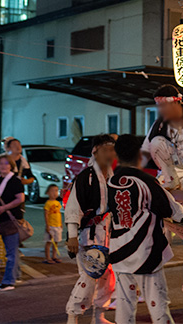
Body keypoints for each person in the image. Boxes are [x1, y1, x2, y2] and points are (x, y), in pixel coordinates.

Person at [107, 134, 183, 324]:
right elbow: (172, 211)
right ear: (140, 154)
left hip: (118, 251)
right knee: (157, 303)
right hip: (145, 252)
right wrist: (182, 209)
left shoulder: (111, 182)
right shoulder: (147, 181)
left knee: (125, 305)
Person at [66, 134, 117, 324]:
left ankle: (99, 316)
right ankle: (73, 315)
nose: (110, 154)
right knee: (88, 278)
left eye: (112, 149)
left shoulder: (113, 176)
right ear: (95, 151)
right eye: (106, 149)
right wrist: (72, 236)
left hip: (108, 235)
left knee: (107, 278)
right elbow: (73, 207)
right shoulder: (85, 177)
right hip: (89, 235)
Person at [0, 155, 26, 292]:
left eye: (6, 164)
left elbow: (20, 198)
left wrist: (3, 208)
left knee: (11, 253)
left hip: (11, 220)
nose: (3, 166)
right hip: (2, 220)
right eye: (0, 164)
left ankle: (8, 281)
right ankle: (16, 276)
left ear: (11, 166)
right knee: (12, 251)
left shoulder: (14, 181)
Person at [43, 184, 62, 264]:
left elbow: (59, 214)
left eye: (56, 191)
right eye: (52, 191)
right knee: (49, 242)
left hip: (57, 225)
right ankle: (48, 257)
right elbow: (46, 214)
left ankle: (54, 256)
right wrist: (47, 225)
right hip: (51, 226)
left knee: (56, 241)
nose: (55, 193)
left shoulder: (58, 203)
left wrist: (61, 223)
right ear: (47, 193)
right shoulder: (48, 203)